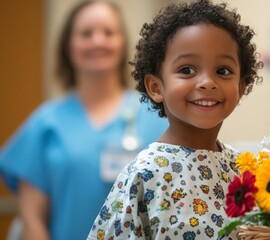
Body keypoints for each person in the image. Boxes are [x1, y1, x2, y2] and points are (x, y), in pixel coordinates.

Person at [87, 0, 263, 239]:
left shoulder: (245, 169)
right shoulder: (144, 174)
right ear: (156, 87)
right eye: (187, 70)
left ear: (241, 87)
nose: (207, 82)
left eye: (223, 71)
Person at [0, 1, 168, 240]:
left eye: (108, 32)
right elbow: (33, 221)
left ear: (122, 43)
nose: (97, 41)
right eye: (86, 34)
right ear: (68, 45)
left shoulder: (158, 114)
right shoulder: (46, 122)